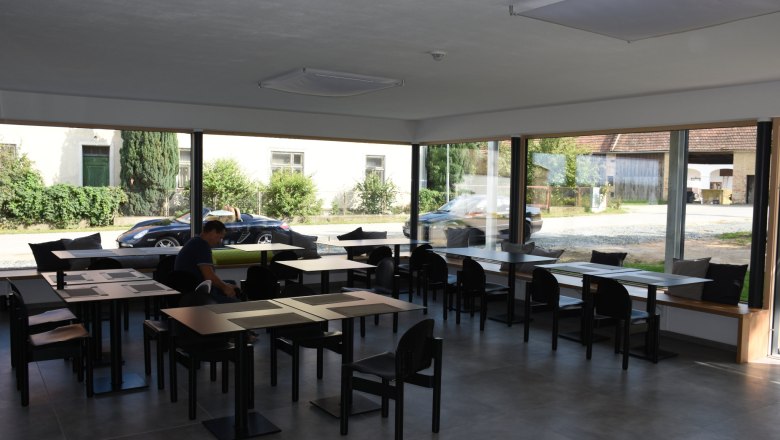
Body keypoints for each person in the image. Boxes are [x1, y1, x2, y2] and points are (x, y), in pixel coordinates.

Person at [174, 220, 240, 303]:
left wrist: (224, 285)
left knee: (231, 283)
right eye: (219, 237)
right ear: (213, 232)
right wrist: (225, 287)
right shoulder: (201, 246)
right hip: (197, 293)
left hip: (190, 287)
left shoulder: (195, 241)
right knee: (236, 303)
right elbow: (209, 277)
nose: (219, 242)